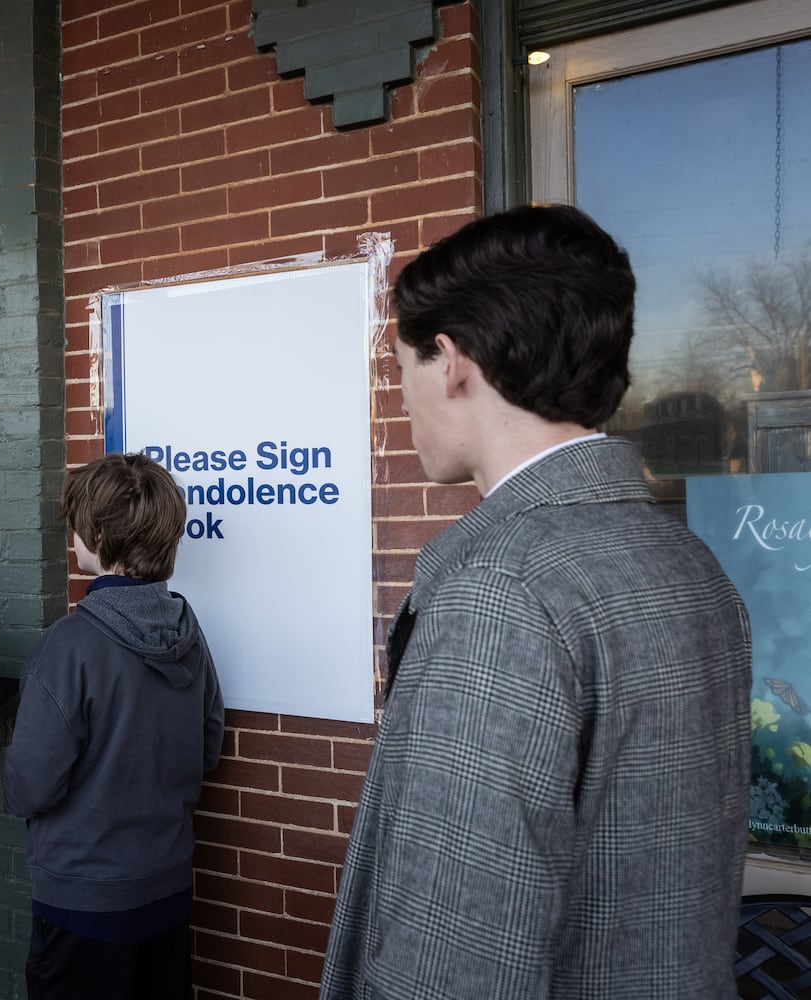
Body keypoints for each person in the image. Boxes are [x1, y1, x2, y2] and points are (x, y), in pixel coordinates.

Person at [321, 204, 752, 999]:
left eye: (400, 368)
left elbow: (454, 954)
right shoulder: (687, 561)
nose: (400, 395)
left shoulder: (503, 592)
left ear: (450, 361)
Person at [5, 452, 225, 1000]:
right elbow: (208, 748)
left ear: (98, 534)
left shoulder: (71, 644)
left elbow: (30, 785)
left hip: (84, 903)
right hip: (168, 888)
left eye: (77, 525)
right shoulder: (188, 634)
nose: (72, 536)